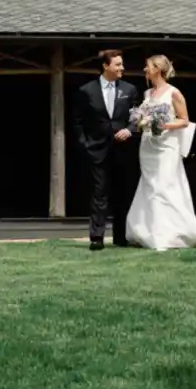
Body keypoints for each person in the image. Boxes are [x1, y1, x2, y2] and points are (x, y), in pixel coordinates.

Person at [126, 54, 196, 252]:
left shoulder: (174, 93)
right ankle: (147, 231)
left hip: (166, 147)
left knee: (163, 187)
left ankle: (165, 234)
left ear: (157, 69)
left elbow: (184, 120)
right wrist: (141, 122)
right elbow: (143, 117)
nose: (144, 70)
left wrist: (162, 124)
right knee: (149, 186)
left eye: (147, 66)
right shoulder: (148, 94)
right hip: (148, 146)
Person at [73, 48, 140, 251]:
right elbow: (78, 121)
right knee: (99, 193)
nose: (122, 68)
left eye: (122, 64)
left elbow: (137, 117)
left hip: (123, 150)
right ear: (105, 66)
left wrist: (129, 130)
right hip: (97, 149)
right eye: (118, 64)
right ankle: (97, 237)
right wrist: (85, 144)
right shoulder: (86, 91)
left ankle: (120, 236)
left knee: (122, 193)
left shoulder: (129, 90)